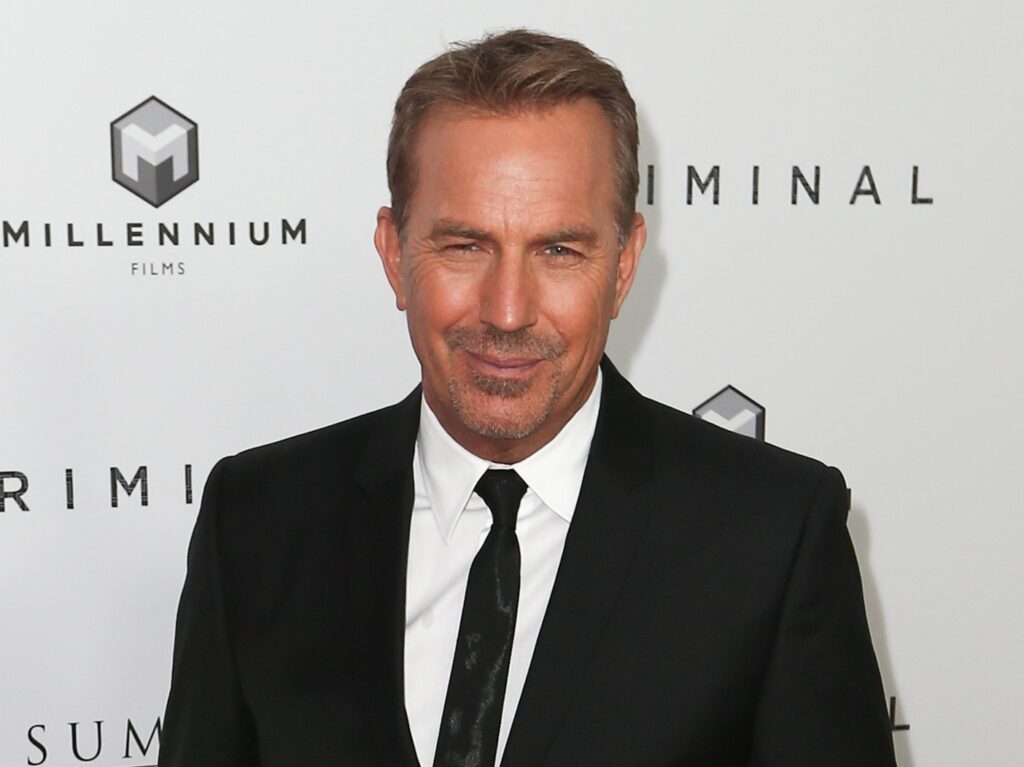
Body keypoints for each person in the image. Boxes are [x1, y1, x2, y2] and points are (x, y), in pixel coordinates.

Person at [159, 29, 897, 767]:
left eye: (558, 250)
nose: (507, 311)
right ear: (393, 254)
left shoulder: (771, 536)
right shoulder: (257, 521)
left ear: (624, 265)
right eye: (464, 245)